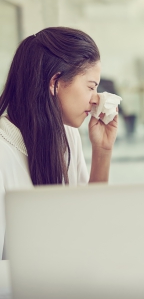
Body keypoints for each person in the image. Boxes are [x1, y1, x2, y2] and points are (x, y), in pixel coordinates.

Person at [0, 27, 118, 257]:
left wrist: (103, 151)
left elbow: (92, 227)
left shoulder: (67, 136)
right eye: (91, 87)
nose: (96, 99)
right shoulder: (3, 153)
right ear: (55, 82)